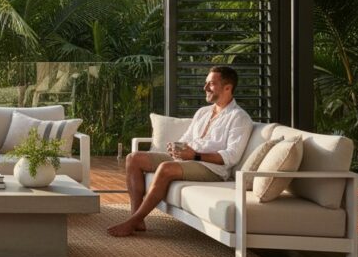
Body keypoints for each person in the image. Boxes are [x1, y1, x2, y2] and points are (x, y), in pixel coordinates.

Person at [108, 65, 253, 237]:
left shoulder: (239, 118)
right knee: (134, 158)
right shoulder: (203, 112)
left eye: (211, 84)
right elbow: (187, 138)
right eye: (206, 83)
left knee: (166, 168)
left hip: (212, 168)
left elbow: (231, 157)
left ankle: (132, 222)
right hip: (188, 159)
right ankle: (137, 218)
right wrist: (176, 148)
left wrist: (195, 155)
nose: (205, 88)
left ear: (228, 88)